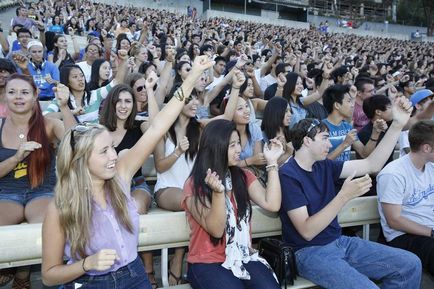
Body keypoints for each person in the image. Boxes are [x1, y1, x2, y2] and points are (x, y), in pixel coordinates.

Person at [41, 55, 214, 288]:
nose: (114, 156)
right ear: (80, 160)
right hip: (91, 281)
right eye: (104, 152)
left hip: (135, 274)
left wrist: (192, 77)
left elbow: (158, 127)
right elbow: (49, 274)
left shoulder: (122, 174)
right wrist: (86, 264)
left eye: (112, 148)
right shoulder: (61, 205)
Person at [278, 96, 422, 289]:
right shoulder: (288, 174)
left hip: (340, 242)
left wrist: (397, 125)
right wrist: (344, 196)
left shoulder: (325, 166)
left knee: (410, 265)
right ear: (306, 141)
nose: (330, 145)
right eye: (325, 139)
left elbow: (372, 164)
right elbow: (307, 231)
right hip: (309, 252)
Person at [153, 69, 244, 285]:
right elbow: (159, 166)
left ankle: (180, 257)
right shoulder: (163, 130)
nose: (195, 103)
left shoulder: (200, 128)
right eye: (189, 99)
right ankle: (180, 259)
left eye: (196, 98)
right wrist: (177, 152)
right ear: (177, 102)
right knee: (194, 199)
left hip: (194, 188)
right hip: (167, 189)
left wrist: (237, 87)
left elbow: (226, 120)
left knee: (201, 198)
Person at [181, 119, 284, 289]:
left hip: (242, 256)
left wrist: (272, 162)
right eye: (232, 145)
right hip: (206, 262)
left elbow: (272, 204)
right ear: (216, 147)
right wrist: (218, 194)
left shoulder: (243, 176)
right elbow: (216, 229)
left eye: (238, 143)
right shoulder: (194, 184)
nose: (240, 150)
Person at [0, 74, 69, 288]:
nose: (18, 97)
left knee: (49, 227)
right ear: (5, 96)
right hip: (6, 193)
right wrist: (16, 157)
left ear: (35, 95)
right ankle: (16, 267)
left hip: (41, 192)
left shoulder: (50, 125)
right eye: (12, 92)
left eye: (24, 92)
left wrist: (65, 107)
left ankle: (24, 271)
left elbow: (78, 142)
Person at [377, 120, 434, 276]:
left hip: (428, 230)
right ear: (427, 148)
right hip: (403, 236)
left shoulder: (430, 167)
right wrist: (431, 232)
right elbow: (394, 221)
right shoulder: (393, 174)